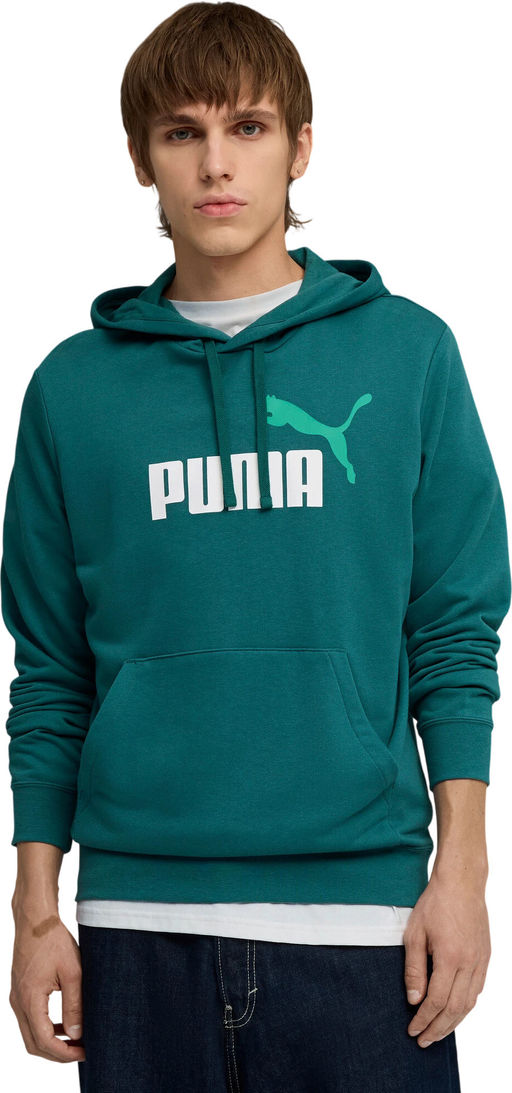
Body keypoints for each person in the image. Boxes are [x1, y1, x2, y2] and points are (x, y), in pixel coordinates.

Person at [3, 3, 510, 1090]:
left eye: (248, 127)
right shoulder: (72, 392)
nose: (215, 164)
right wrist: (35, 909)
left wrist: (463, 872)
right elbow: (49, 670)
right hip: (136, 926)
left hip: (366, 924)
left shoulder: (408, 355)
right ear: (141, 157)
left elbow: (452, 632)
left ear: (300, 146)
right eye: (181, 132)